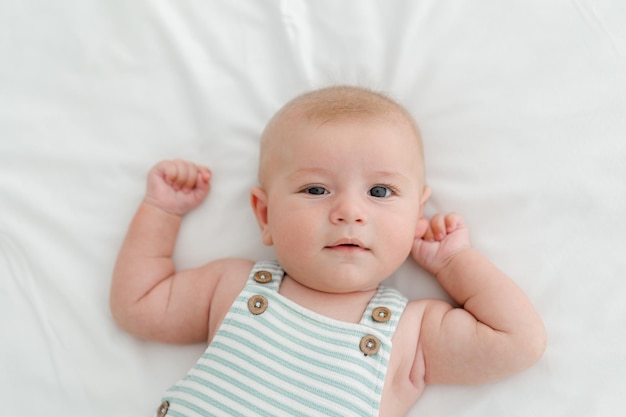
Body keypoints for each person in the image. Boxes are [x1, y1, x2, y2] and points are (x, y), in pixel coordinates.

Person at [111, 86, 546, 417]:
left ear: (417, 211)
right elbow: (138, 305)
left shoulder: (410, 332)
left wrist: (455, 263)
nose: (349, 212)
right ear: (265, 215)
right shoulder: (233, 287)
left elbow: (518, 342)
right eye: (315, 189)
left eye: (380, 190)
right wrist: (161, 213)